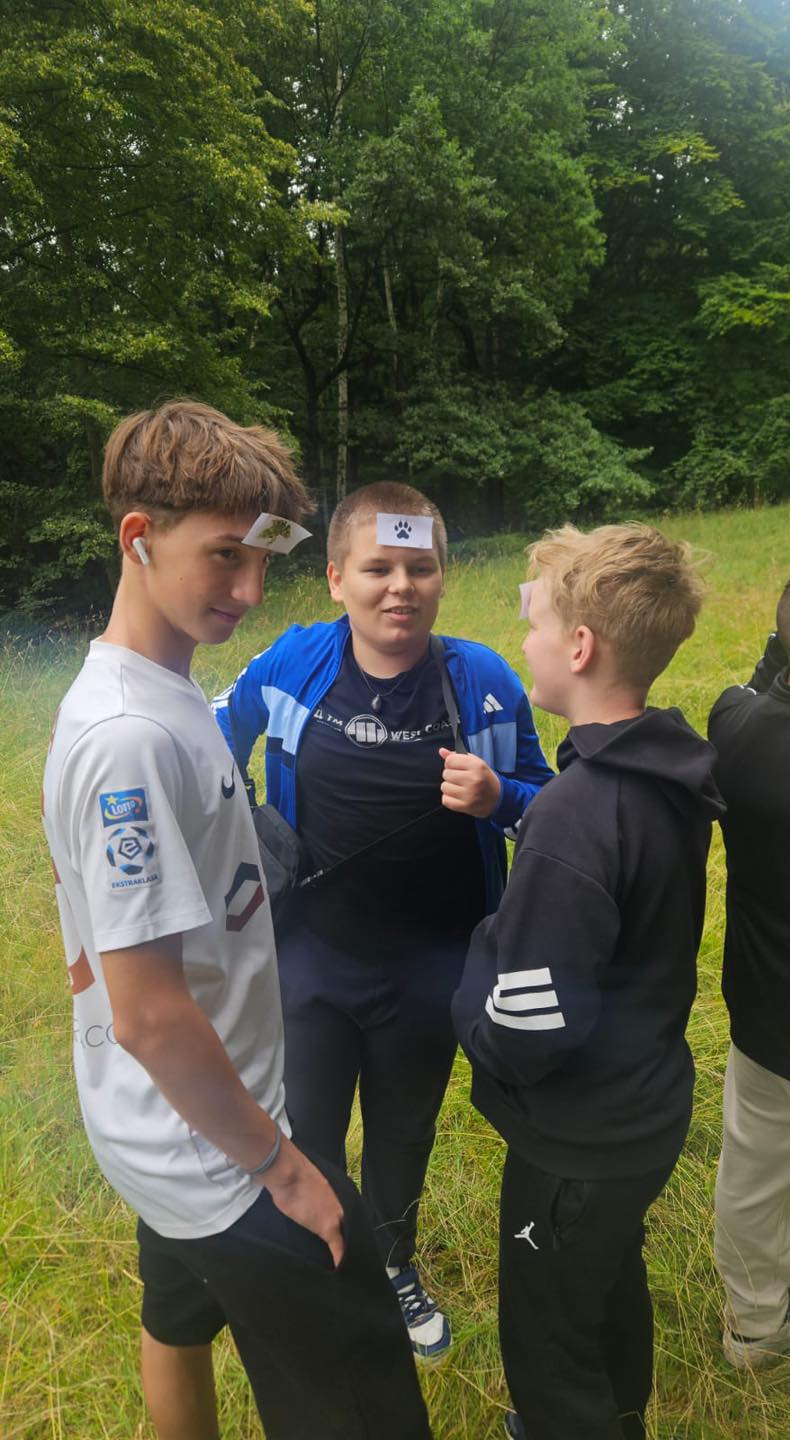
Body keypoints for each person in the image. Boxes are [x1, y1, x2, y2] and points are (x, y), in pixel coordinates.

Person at [41, 402, 433, 1440]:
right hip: (219, 1153)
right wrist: (283, 1170)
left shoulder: (163, 685)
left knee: (175, 1320)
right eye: (225, 556)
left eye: (263, 558)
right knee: (358, 1395)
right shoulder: (128, 739)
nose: (252, 590)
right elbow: (149, 1016)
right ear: (139, 537)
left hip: (166, 1129)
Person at [214, 480, 552, 1359]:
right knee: (310, 1130)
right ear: (336, 578)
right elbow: (208, 739)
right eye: (377, 568)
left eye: (420, 567)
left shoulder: (482, 681)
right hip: (312, 960)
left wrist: (500, 797)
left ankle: (393, 1266)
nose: (400, 587)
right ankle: (323, 1272)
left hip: (434, 968)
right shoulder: (292, 663)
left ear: (443, 577)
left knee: (404, 1134)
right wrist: (241, 830)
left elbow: (553, 807)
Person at [453, 522, 723, 1440]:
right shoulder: (661, 769)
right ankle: (622, 1414)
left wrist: (473, 997)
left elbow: (533, 1021)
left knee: (549, 1335)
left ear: (578, 646)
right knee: (604, 1281)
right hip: (643, 1112)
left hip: (577, 1142)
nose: (522, 639)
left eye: (532, 623)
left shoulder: (575, 814)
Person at [710, 563, 790, 1369]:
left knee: (753, 1173)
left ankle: (756, 1323)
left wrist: (780, 650)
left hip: (771, 1012)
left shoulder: (732, 725)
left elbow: (754, 688)